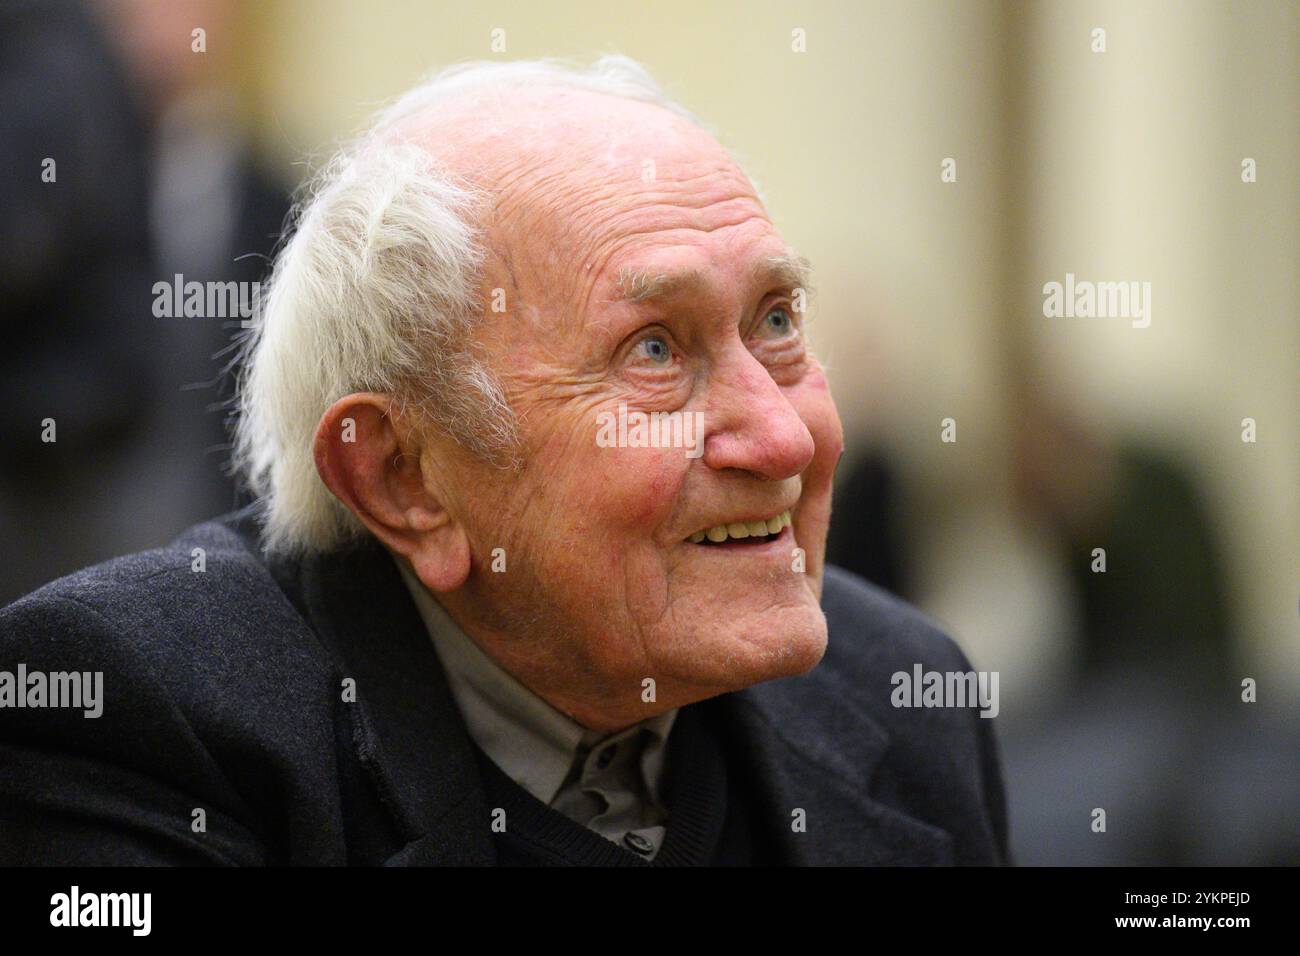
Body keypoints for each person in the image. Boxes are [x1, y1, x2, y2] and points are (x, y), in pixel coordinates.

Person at [0, 56, 1008, 866]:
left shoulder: (904, 692)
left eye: (776, 321)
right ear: (403, 477)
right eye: (654, 350)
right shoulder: (137, 719)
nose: (784, 436)